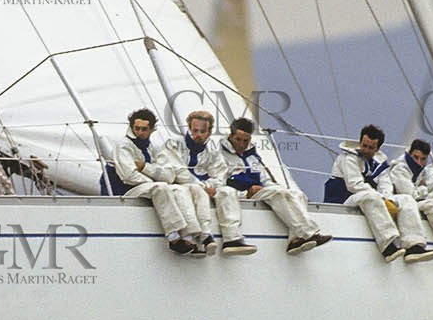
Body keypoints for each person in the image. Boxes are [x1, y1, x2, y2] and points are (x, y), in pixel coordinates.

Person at [325, 125, 433, 262]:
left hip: (370, 200)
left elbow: (385, 185)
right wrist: (381, 199)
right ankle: (388, 245)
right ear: (360, 143)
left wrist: (387, 199)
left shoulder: (380, 163)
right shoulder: (348, 158)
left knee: (406, 199)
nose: (366, 150)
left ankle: (414, 245)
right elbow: (354, 185)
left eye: (371, 148)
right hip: (343, 201)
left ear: (377, 149)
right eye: (364, 145)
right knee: (371, 196)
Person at [107, 108, 209, 256]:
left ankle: (189, 236)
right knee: (161, 187)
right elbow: (128, 176)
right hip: (125, 191)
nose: (140, 132)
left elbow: (168, 175)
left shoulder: (151, 147)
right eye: (137, 128)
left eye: (144, 129)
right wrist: (153, 180)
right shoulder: (124, 146)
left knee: (178, 189)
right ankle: (173, 237)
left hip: (147, 187)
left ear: (152, 129)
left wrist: (146, 168)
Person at [219, 118, 329, 254]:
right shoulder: (220, 155)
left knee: (297, 194)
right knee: (277, 193)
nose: (241, 145)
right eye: (238, 139)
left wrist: (275, 187)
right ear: (230, 136)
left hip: (260, 191)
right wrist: (245, 192)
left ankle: (295, 240)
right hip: (241, 195)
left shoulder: (252, 156)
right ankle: (309, 233)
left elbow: (265, 178)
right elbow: (221, 184)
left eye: (245, 141)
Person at [159, 110, 255, 256]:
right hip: (180, 186)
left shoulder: (213, 153)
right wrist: (204, 187)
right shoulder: (173, 144)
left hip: (204, 188)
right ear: (189, 129)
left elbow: (220, 176)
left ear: (209, 132)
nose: (198, 134)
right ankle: (202, 237)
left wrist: (211, 186)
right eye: (195, 130)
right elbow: (178, 172)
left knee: (228, 191)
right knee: (192, 190)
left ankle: (232, 239)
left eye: (202, 131)